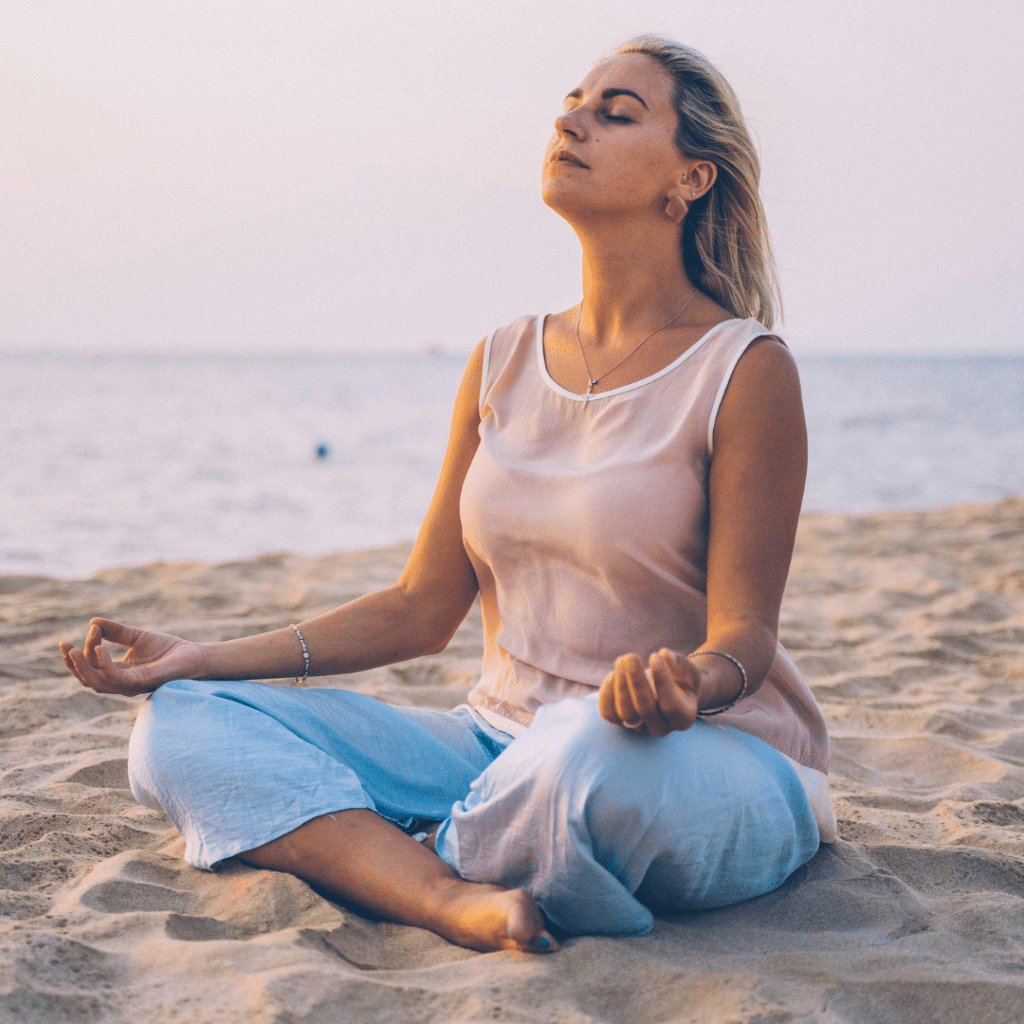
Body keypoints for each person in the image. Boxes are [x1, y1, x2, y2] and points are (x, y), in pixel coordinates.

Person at [59, 35, 835, 955]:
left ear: (691, 179)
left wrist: (686, 683)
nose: (570, 119)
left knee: (579, 757)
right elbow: (422, 609)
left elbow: (745, 636)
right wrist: (202, 658)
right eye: (573, 100)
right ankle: (439, 893)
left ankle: (430, 841)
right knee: (180, 726)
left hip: (691, 753)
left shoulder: (744, 369)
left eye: (615, 112)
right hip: (491, 743)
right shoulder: (503, 357)